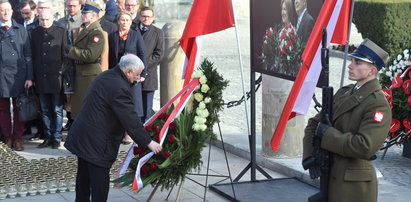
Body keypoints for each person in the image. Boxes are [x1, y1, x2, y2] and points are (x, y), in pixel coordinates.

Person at [302, 39, 392, 202]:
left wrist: (328, 134)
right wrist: (310, 156)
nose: (351, 65)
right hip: (330, 174)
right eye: (351, 61)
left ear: (372, 70)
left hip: (353, 187)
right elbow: (314, 124)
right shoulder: (344, 92)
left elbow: (364, 146)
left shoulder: (377, 104)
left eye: (357, 63)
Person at [64, 53, 162, 202]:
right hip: (97, 143)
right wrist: (148, 142)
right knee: (99, 187)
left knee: (83, 182)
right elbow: (130, 119)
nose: (138, 79)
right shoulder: (119, 87)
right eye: (136, 75)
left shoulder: (107, 76)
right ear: (128, 71)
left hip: (84, 137)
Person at [0, 0, 33, 151]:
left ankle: (18, 138)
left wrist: (29, 77)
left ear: (12, 11)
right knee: (3, 109)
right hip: (1, 75)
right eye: (2, 10)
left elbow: (28, 55)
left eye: (8, 10)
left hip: (18, 75)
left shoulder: (21, 29)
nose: (5, 13)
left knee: (19, 108)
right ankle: (7, 137)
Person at [108, 10, 146, 144]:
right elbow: (109, 57)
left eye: (127, 20)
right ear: (118, 21)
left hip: (133, 75)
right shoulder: (112, 36)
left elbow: (142, 54)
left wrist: (143, 73)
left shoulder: (136, 36)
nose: (124, 23)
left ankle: (129, 134)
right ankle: (118, 132)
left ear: (131, 22)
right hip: (117, 75)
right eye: (122, 20)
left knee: (133, 105)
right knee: (118, 104)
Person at [31, 10, 66, 149]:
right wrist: (33, 76)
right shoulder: (35, 32)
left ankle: (56, 137)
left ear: (52, 18)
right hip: (41, 77)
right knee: (44, 110)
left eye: (47, 19)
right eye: (42, 19)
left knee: (57, 109)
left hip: (56, 77)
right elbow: (33, 56)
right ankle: (47, 136)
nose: (44, 22)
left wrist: (63, 74)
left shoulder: (61, 31)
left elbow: (65, 54)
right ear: (38, 19)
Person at [66, 1, 105, 119]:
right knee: (80, 108)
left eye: (85, 13)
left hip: (89, 75)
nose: (82, 15)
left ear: (93, 15)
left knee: (87, 109)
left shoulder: (96, 32)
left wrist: (71, 51)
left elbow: (90, 55)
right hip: (83, 73)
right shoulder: (87, 29)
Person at [57, 0, 82, 131]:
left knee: (76, 93)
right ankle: (69, 119)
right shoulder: (61, 22)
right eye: (69, 5)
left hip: (78, 63)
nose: (71, 8)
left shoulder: (83, 22)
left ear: (79, 6)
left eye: (74, 6)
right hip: (64, 63)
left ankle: (74, 120)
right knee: (66, 94)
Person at [136, 7, 164, 122]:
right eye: (143, 16)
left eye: (148, 16)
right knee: (134, 109)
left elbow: (159, 54)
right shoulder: (133, 30)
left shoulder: (158, 32)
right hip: (133, 75)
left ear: (153, 18)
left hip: (149, 76)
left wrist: (142, 65)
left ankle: (145, 136)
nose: (146, 18)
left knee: (147, 110)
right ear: (139, 17)